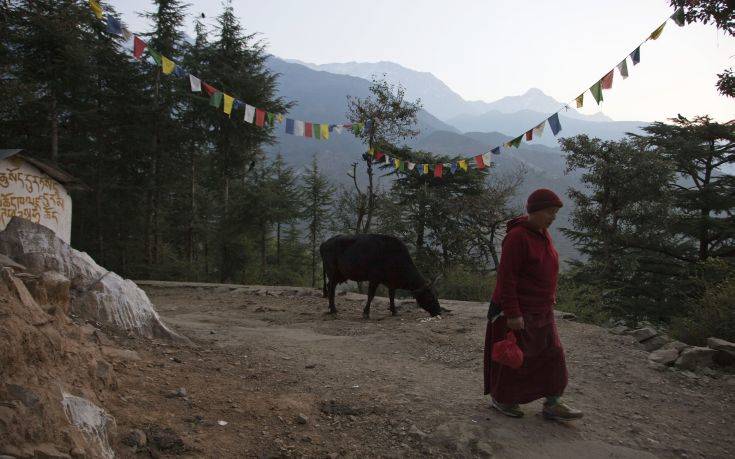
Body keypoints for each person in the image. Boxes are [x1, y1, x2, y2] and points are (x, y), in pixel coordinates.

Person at [483, 188, 583, 421]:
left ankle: (553, 402)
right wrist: (513, 313)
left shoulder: (542, 233)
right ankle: (503, 398)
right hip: (517, 310)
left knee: (552, 354)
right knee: (513, 357)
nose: (553, 218)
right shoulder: (517, 237)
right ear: (535, 211)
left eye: (555, 213)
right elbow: (506, 279)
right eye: (550, 212)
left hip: (541, 310)